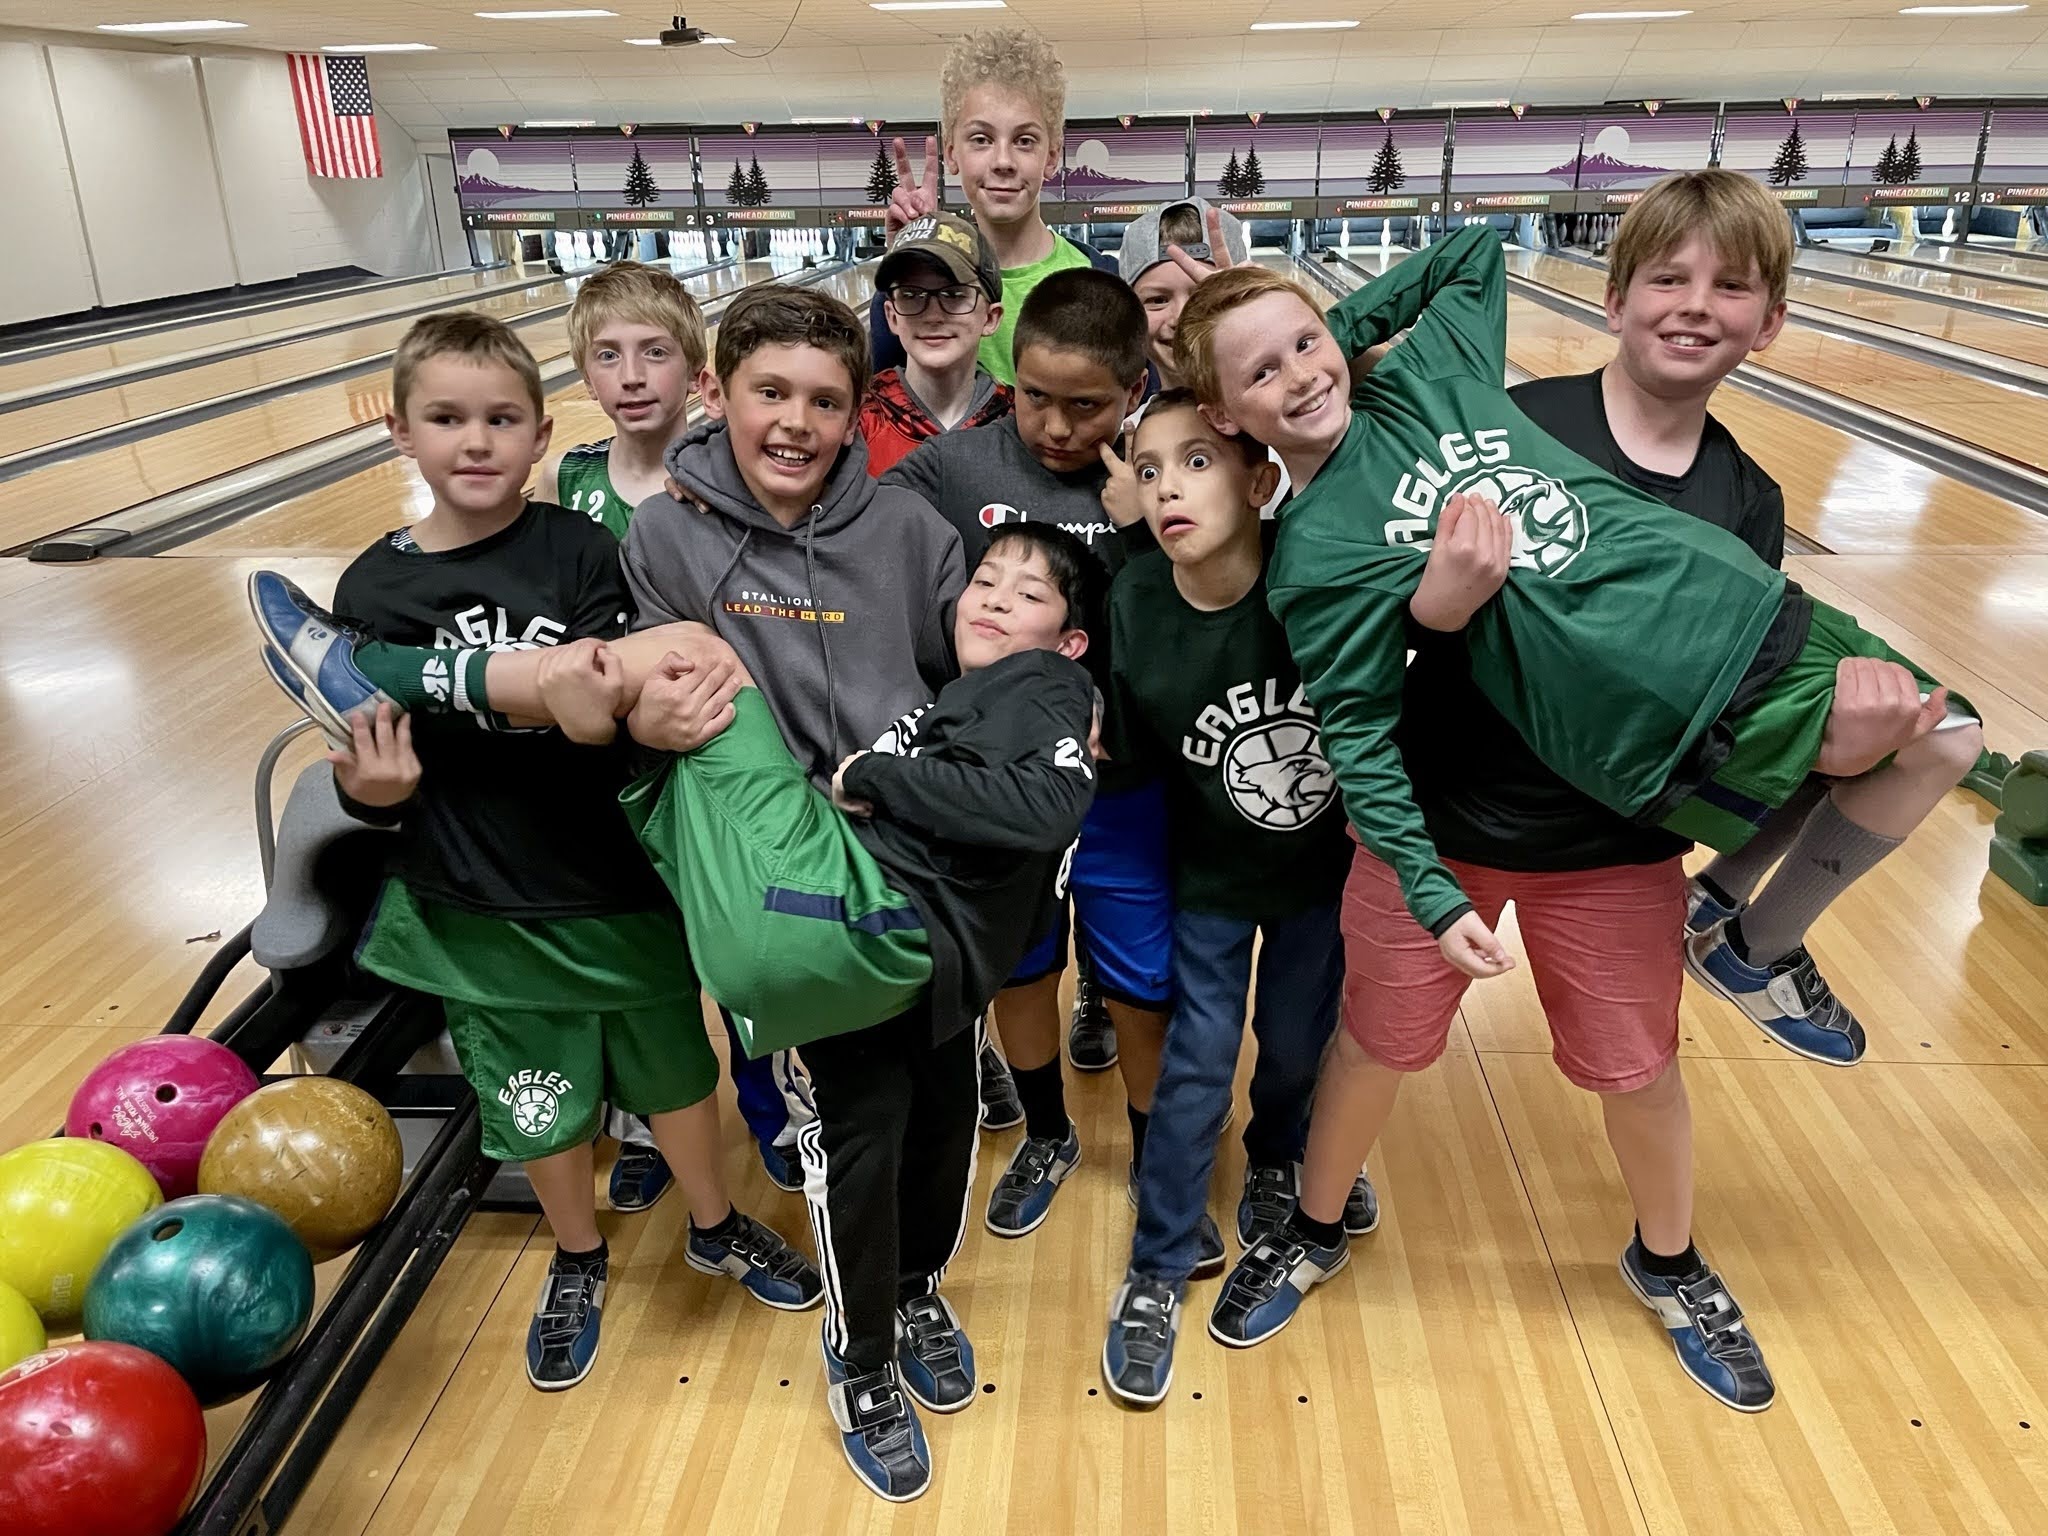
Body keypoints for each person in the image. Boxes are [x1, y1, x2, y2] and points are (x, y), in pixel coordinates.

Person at [1175, 207, 1983, 1392]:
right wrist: (1430, 611)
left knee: (1640, 1067)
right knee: (1377, 1047)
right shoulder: (1330, 546)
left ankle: (1670, 1249)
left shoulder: (1444, 391)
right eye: (1261, 372)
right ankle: (1308, 1224)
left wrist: (1316, 336)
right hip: (1443, 832)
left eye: (1303, 347)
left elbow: (1462, 255)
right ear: (1225, 410)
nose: (1298, 374)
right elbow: (1355, 727)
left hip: (1612, 839)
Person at [246, 312, 822, 1395]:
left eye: (501, 419)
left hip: (614, 883)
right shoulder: (376, 588)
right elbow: (382, 778)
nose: (475, 441)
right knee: (537, 1102)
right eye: (447, 419)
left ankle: (712, 1223)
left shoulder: (581, 551)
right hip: (479, 897)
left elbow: (609, 721)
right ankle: (578, 1254)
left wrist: (580, 708)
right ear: (399, 435)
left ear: (538, 431)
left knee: (676, 1079)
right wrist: (375, 790)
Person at [885, 268, 1177, 1240]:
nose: (1053, 425)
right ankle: (1047, 1132)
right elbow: (844, 514)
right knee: (1017, 972)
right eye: (1035, 396)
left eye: (1084, 405)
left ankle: (1147, 1148)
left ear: (1133, 385)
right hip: (1003, 787)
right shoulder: (958, 466)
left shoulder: (1161, 473)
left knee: (1140, 985)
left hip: (1127, 784)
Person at [1096, 390, 1373, 1406]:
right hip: (1206, 879)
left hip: (1315, 882)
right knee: (1194, 1071)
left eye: (1197, 462)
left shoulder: (1310, 583)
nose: (1167, 484)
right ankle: (1157, 1264)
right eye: (1150, 466)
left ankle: (1277, 1156)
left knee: (1298, 1046)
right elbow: (1122, 752)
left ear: (1262, 484)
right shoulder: (1133, 602)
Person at [529, 258, 815, 1210]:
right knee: (641, 963)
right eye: (607, 357)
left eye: (654, 353)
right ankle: (650, 1121)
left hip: (714, 749)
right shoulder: (570, 482)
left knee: (737, 960)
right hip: (608, 765)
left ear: (696, 373)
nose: (632, 375)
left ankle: (775, 1112)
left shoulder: (723, 474)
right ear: (583, 376)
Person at [869, 28, 1121, 387]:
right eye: (981, 139)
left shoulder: (1101, 279)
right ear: (952, 153)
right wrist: (908, 259)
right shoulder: (914, 284)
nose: (1003, 161)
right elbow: (887, 393)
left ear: (1051, 157)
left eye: (1024, 140)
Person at [859, 213, 1013, 478]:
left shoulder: (1019, 420)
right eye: (910, 295)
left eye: (954, 295)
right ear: (891, 316)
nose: (932, 316)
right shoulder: (856, 420)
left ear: (990, 318)